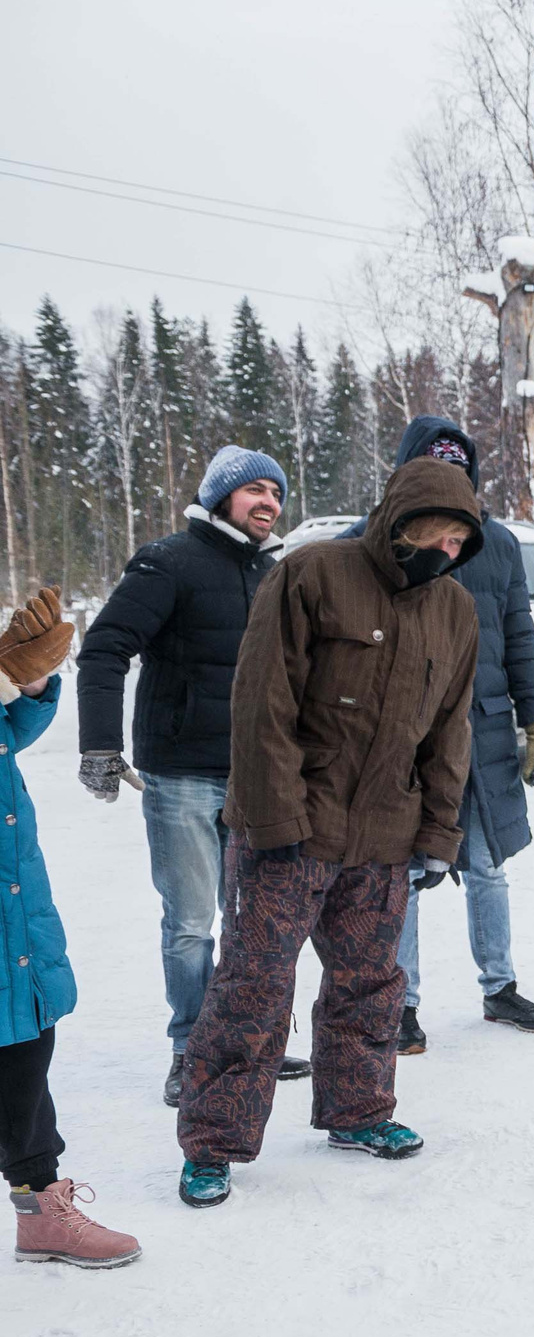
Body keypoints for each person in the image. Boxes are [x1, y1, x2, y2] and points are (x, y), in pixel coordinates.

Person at [173, 458, 483, 1208]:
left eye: (454, 541)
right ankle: (213, 1143)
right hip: (293, 828)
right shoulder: (314, 572)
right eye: (429, 534)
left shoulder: (456, 612)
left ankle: (359, 1111)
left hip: (384, 835)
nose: (440, 551)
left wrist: (439, 833)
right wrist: (275, 818)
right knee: (253, 985)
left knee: (370, 985)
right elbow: (261, 701)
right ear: (396, 522)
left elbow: (450, 733)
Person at [75, 445, 311, 1104]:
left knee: (256, 922)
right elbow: (104, 648)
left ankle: (245, 1040)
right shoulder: (168, 561)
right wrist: (99, 743)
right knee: (189, 922)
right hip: (181, 775)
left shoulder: (276, 574)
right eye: (254, 489)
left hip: (259, 778)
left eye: (277, 492)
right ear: (219, 497)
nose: (268, 501)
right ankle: (191, 1048)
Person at [343, 418, 534, 1054]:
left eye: (459, 474)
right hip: (403, 737)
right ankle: (400, 1003)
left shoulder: (501, 546)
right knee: (402, 873)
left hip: (482, 730)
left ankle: (500, 987)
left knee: (488, 867)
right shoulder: (369, 542)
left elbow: (519, 637)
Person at [0, 589, 138, 1268]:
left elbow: (9, 735)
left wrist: (25, 681)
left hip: (13, 907)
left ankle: (40, 1210)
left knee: (25, 1049)